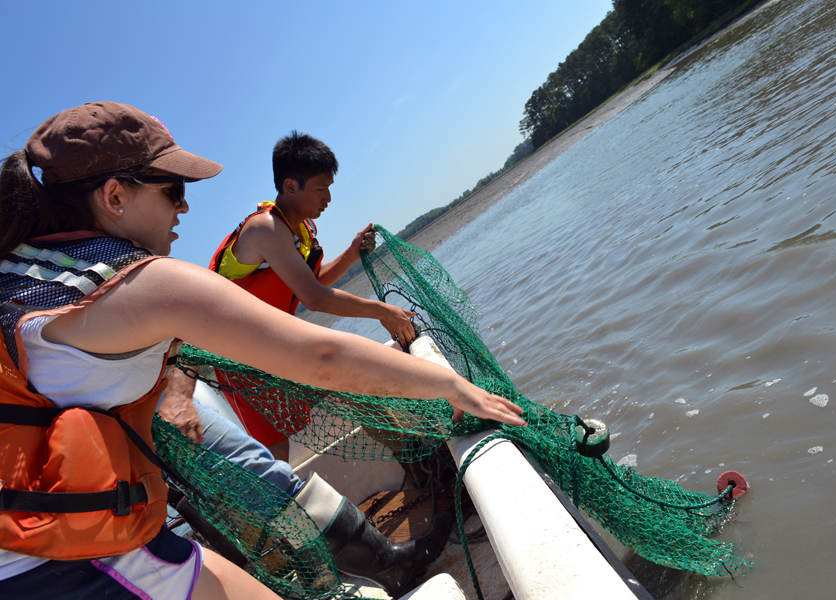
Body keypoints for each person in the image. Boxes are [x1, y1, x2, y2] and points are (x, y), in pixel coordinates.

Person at [0, 101, 526, 600]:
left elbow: (301, 292)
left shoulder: (32, 270)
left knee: (259, 486)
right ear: (115, 196)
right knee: (265, 476)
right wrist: (453, 386)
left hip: (41, 518)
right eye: (173, 189)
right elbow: (321, 354)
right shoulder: (145, 282)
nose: (185, 206)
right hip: (43, 552)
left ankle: (371, 561)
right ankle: (372, 563)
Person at [206, 132, 416, 460]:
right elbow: (315, 297)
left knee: (349, 383)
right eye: (321, 188)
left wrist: (350, 253)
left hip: (273, 340)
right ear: (291, 186)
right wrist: (383, 311)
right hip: (239, 358)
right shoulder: (266, 228)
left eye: (329, 188)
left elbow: (312, 282)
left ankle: (414, 463)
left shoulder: (298, 231)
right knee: (276, 448)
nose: (328, 198)